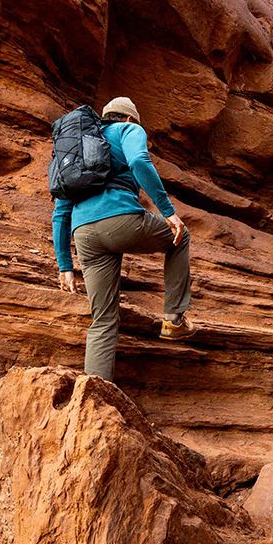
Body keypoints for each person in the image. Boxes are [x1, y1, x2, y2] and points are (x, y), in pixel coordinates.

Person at [53, 97, 194, 381]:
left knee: (102, 320)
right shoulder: (128, 130)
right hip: (120, 220)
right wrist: (168, 212)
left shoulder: (79, 145)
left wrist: (64, 265)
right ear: (130, 118)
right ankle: (174, 319)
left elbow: (60, 211)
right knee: (180, 236)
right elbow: (139, 161)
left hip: (84, 236)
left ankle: (93, 392)